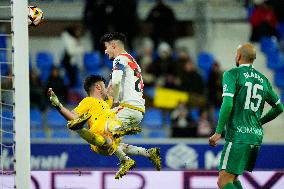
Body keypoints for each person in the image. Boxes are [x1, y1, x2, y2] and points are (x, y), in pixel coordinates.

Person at [48, 75, 161, 179]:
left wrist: (116, 73)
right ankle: (83, 130)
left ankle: (144, 154)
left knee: (115, 141)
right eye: (104, 86)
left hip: (110, 138)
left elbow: (112, 87)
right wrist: (58, 105)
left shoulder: (107, 102)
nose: (106, 88)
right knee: (106, 136)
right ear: (98, 87)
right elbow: (73, 117)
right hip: (99, 136)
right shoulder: (88, 101)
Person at [209, 43, 283, 189]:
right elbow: (279, 108)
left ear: (238, 56)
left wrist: (218, 131)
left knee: (223, 181)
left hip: (238, 135)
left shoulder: (232, 74)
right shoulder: (264, 80)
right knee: (233, 178)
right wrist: (258, 123)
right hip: (255, 136)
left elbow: (228, 104)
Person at [100, 32, 145, 138]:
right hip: (138, 111)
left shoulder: (119, 59)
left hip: (128, 108)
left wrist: (115, 101)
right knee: (111, 140)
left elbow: (116, 81)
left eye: (106, 47)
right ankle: (145, 152)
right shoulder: (133, 62)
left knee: (100, 127)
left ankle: (116, 129)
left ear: (113, 45)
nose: (105, 51)